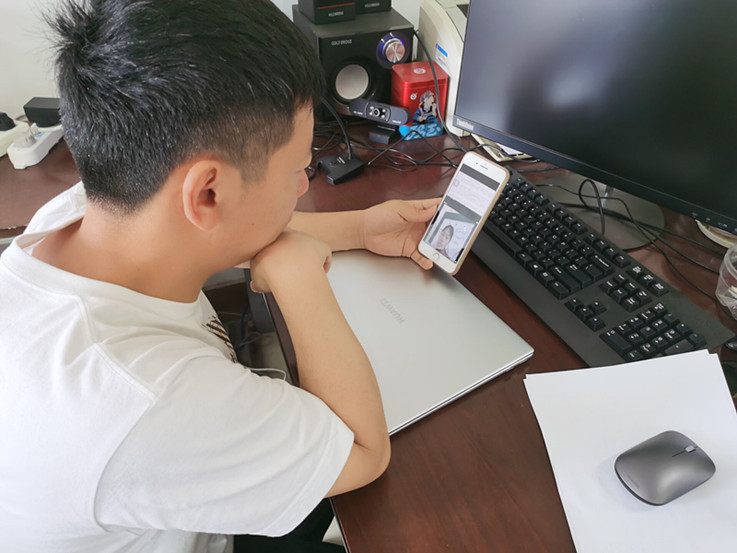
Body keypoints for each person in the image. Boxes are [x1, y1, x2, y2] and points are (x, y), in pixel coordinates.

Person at [0, 1, 440, 552]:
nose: (304, 185)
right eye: (298, 168)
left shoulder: (92, 210)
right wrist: (298, 275)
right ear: (208, 192)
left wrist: (359, 228)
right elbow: (362, 450)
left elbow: (229, 225)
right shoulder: (144, 399)